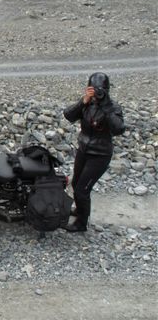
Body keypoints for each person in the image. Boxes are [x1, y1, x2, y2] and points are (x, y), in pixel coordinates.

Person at [62, 72, 125, 232]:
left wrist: (105, 106)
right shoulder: (87, 104)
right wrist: (83, 101)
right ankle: (79, 210)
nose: (96, 92)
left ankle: (81, 224)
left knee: (83, 189)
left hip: (100, 154)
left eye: (99, 89)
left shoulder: (113, 107)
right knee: (76, 183)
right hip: (84, 150)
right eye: (92, 88)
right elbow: (68, 115)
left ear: (106, 90)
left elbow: (118, 129)